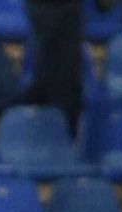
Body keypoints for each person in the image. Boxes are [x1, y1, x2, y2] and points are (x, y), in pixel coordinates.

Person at [25, 0, 85, 133]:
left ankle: (62, 134)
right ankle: (50, 133)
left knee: (66, 79)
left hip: (66, 10)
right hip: (49, 9)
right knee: (51, 77)